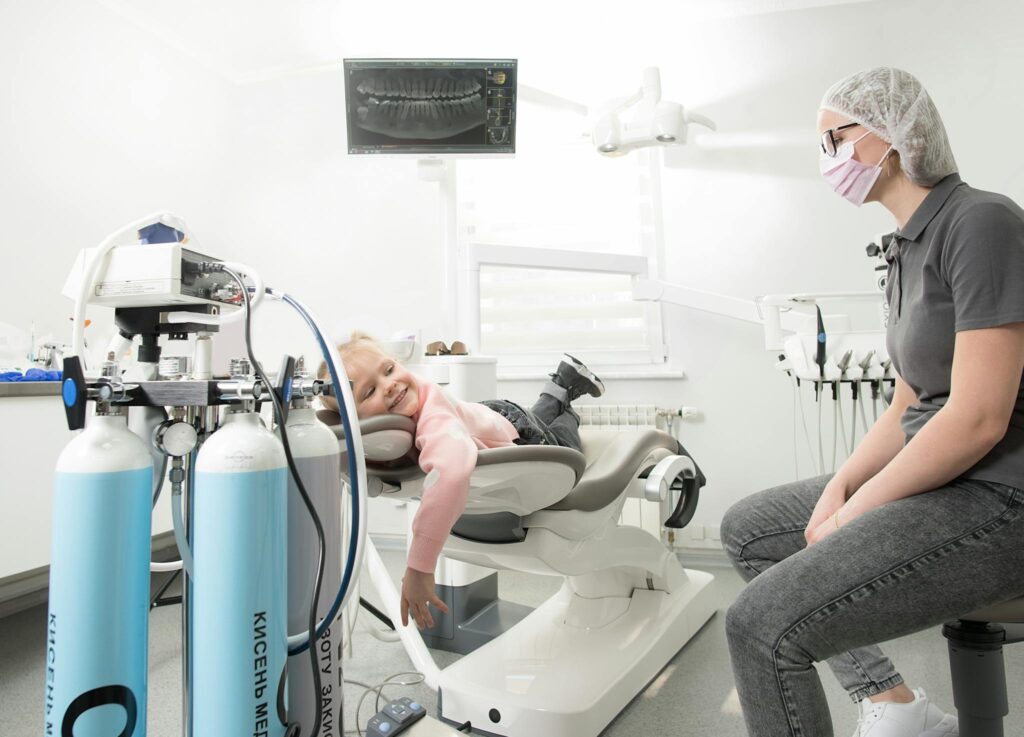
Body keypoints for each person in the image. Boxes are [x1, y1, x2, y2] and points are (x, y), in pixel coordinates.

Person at [721, 67, 1024, 737]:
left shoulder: (982, 222)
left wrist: (859, 509)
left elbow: (977, 419)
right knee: (751, 528)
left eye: (833, 139)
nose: (826, 159)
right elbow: (906, 403)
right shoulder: (904, 248)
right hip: (940, 478)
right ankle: (894, 703)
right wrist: (841, 488)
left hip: (999, 495)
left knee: (760, 626)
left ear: (887, 137)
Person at [319, 332, 603, 630]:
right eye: (369, 392)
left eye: (389, 369)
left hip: (514, 427)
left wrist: (419, 567)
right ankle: (560, 382)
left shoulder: (433, 417)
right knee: (536, 416)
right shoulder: (400, 412)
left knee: (565, 443)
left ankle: (565, 396)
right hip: (486, 414)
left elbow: (451, 473)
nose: (389, 385)